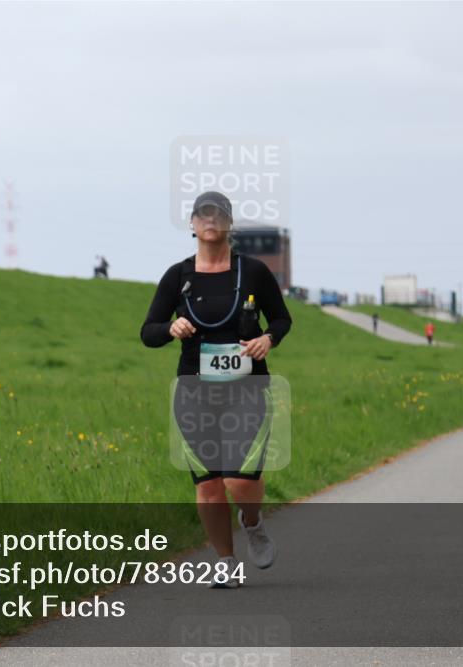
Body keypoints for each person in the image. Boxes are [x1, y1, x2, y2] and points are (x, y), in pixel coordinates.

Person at [141, 191, 292, 589]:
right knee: (208, 485)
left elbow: (281, 318)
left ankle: (253, 522)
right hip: (195, 391)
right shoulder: (178, 276)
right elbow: (148, 332)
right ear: (192, 224)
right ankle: (226, 561)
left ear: (229, 223)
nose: (210, 221)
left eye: (218, 215)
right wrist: (170, 328)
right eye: (202, 215)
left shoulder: (254, 271)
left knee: (239, 481)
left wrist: (268, 340)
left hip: (248, 389)